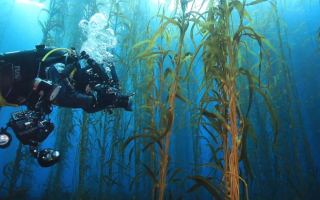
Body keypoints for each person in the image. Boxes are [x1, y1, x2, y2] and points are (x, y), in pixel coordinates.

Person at [0, 44, 133, 167]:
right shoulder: (64, 64)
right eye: (92, 86)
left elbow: (45, 99)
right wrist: (90, 101)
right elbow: (60, 88)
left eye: (93, 90)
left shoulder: (65, 84)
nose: (90, 90)